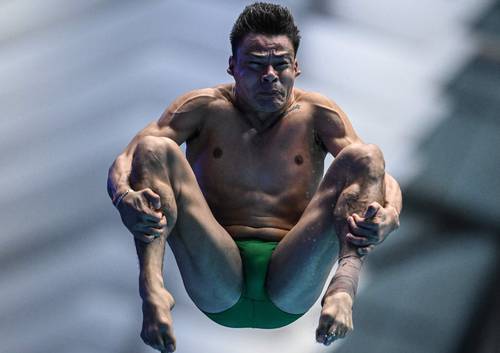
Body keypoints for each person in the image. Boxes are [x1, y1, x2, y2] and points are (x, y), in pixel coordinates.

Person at [107, 3, 402, 352]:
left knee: (365, 155)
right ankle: (152, 289)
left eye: (280, 65)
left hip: (292, 273)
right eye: (256, 65)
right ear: (233, 67)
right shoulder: (202, 108)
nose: (269, 76)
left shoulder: (317, 114)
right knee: (154, 148)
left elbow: (378, 175)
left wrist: (390, 214)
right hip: (218, 268)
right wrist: (124, 198)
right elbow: (127, 159)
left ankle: (343, 288)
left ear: (296, 67)